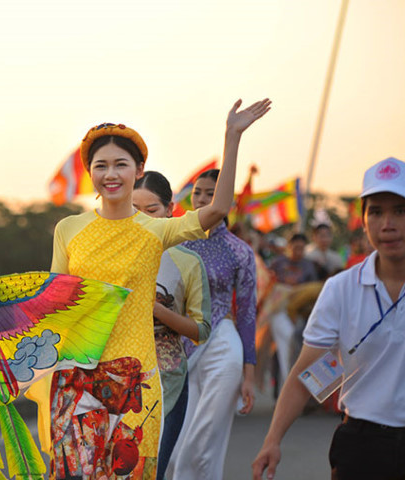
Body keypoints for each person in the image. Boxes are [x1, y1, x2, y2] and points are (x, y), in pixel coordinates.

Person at [45, 98, 270, 479]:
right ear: (90, 173)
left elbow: (217, 209)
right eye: (101, 165)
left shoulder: (156, 230)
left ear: (139, 170)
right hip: (77, 376)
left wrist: (231, 138)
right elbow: (54, 300)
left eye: (121, 164)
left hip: (138, 382)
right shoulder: (68, 229)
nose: (111, 173)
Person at [252, 157, 405, 480]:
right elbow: (306, 374)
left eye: (400, 210)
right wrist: (272, 439)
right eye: (376, 211)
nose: (387, 224)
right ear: (363, 221)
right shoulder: (340, 289)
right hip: (360, 446)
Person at [167, 168, 258, 480]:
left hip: (223, 345)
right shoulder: (175, 242)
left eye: (211, 193)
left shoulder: (240, 252)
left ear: (226, 199)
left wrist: (249, 373)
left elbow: (247, 314)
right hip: (180, 351)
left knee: (205, 442)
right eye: (198, 192)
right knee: (176, 449)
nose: (203, 198)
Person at [132, 171, 212, 480]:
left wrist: (154, 309)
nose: (142, 219)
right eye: (134, 209)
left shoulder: (187, 262)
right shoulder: (109, 257)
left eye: (151, 211)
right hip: (114, 381)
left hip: (168, 383)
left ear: (170, 210)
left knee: (151, 474)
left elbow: (201, 329)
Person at [268, 233, 320, 387]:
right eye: (296, 247)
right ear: (289, 247)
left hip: (299, 312)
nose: (299, 251)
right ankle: (287, 387)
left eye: (302, 248)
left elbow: (311, 292)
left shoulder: (309, 266)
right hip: (278, 310)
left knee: (292, 348)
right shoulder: (278, 263)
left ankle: (290, 387)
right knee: (288, 342)